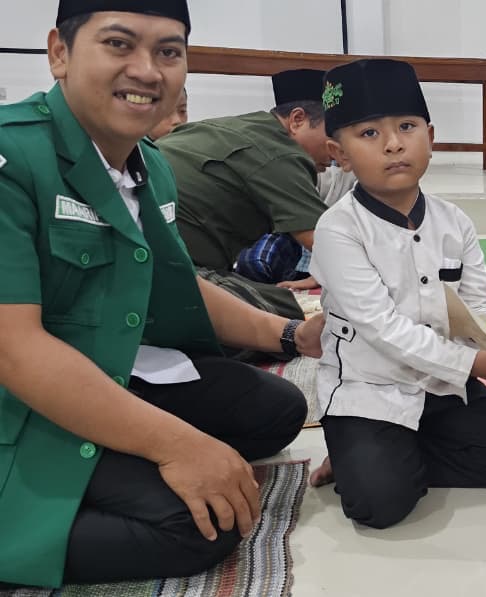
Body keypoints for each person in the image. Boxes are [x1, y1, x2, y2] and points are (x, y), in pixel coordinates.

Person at [0, 1, 318, 587]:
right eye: (119, 44)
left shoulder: (147, 165)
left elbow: (174, 283)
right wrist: (175, 447)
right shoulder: (12, 160)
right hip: (20, 403)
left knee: (277, 412)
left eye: (168, 52)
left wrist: (290, 334)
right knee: (201, 523)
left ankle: (111, 459)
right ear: (59, 53)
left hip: (110, 371)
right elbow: (16, 351)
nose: (148, 70)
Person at [305, 59, 486, 529]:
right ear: (340, 153)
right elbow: (381, 329)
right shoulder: (338, 229)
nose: (394, 143)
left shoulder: (455, 221)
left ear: (430, 137)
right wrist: (474, 363)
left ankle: (381, 459)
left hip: (442, 385)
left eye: (407, 126)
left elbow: (478, 305)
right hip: (368, 388)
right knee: (379, 505)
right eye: (369, 134)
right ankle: (363, 458)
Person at [157, 67, 333, 319]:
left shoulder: (237, 126)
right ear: (297, 120)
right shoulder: (282, 153)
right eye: (333, 134)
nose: (339, 149)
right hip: (170, 267)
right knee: (281, 312)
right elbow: (328, 243)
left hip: (149, 258)